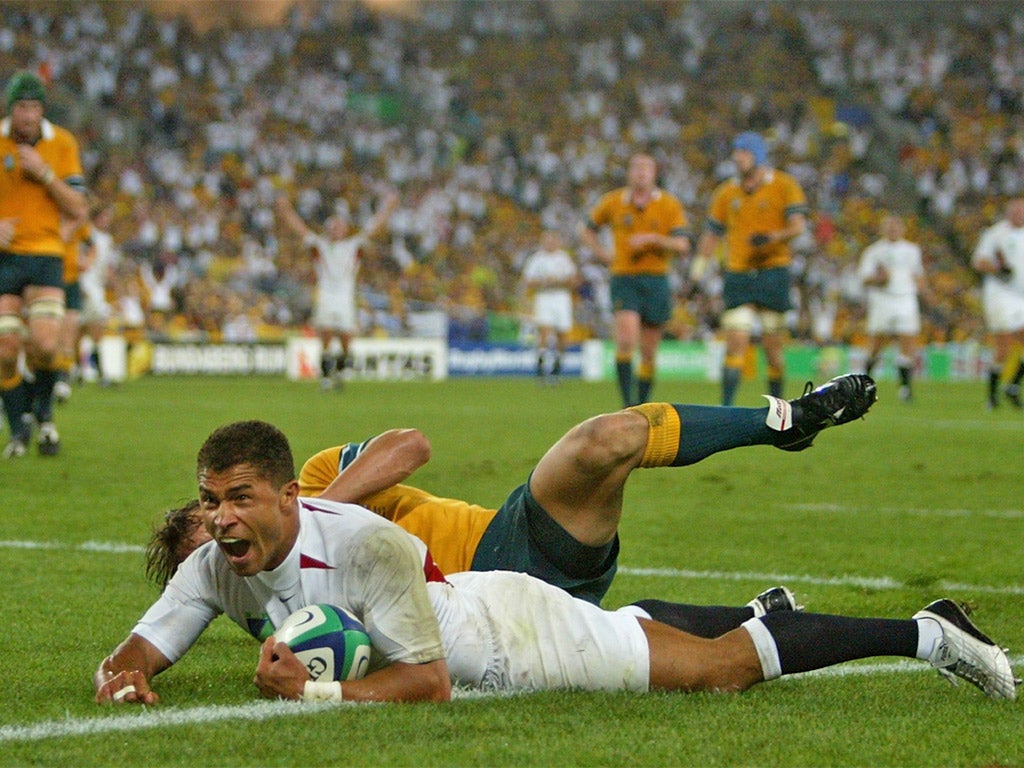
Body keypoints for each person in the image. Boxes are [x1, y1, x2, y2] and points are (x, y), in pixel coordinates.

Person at [95, 420, 1018, 706]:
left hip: (512, 637)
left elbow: (427, 685)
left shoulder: (365, 544)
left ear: (291, 496)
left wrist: (317, 694)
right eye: (208, 502)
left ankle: (929, 634)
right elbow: (147, 644)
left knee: (721, 674)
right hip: (487, 629)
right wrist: (125, 678)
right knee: (648, 632)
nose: (216, 521)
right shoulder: (214, 561)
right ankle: (755, 608)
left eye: (237, 500)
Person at [147, 372, 879, 610]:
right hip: (485, 612)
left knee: (607, 439)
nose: (221, 536)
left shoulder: (304, 483)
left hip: (511, 537)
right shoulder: (285, 609)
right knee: (619, 651)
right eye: (204, 556)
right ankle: (753, 623)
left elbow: (411, 446)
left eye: (214, 518)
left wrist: (322, 509)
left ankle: (784, 420)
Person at [0, 70, 87, 457]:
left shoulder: (62, 144)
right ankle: (19, 428)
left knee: (48, 347)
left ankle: (43, 411)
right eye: (22, 107)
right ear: (11, 109)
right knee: (4, 350)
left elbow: (78, 206)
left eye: (35, 107)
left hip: (46, 256)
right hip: (5, 258)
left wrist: (45, 173)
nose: (29, 115)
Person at [693, 132, 809, 406]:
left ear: (758, 156)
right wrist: (697, 272)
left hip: (773, 271)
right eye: (735, 152)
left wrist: (771, 238)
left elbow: (798, 226)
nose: (737, 158)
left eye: (743, 152)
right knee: (735, 341)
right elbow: (711, 235)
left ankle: (780, 410)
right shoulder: (726, 192)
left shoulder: (784, 185)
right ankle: (726, 409)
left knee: (773, 349)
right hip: (738, 273)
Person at [580, 153, 691, 407]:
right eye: (636, 168)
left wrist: (653, 239)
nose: (641, 172)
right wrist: (603, 254)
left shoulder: (669, 205)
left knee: (649, 351)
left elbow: (683, 245)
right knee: (627, 339)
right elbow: (586, 229)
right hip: (624, 277)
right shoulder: (613, 201)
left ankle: (641, 405)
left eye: (646, 168)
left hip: (656, 279)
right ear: (629, 173)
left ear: (654, 174)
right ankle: (626, 404)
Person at [275, 189, 398, 390]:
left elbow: (375, 228)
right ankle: (325, 378)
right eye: (333, 227)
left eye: (339, 226)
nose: (336, 230)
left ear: (345, 229)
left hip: (345, 296)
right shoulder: (320, 245)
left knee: (346, 340)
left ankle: (339, 374)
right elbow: (299, 229)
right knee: (325, 335)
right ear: (328, 229)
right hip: (326, 295)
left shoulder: (353, 244)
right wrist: (285, 209)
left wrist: (389, 207)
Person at [856, 214, 927, 403]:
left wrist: (920, 287)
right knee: (876, 345)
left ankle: (905, 389)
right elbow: (864, 277)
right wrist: (878, 279)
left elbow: (918, 274)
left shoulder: (912, 250)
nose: (893, 230)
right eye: (889, 226)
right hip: (882, 299)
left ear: (903, 229)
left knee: (908, 343)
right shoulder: (874, 251)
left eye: (896, 227)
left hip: (906, 299)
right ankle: (864, 385)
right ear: (883, 229)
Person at [971, 197, 1024, 409]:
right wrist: (998, 269)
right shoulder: (995, 234)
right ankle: (992, 396)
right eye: (1016, 211)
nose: (1019, 215)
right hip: (1000, 295)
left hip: (1021, 296)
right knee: (1004, 348)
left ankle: (1012, 385)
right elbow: (979, 261)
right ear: (1008, 213)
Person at [521, 230, 578, 383]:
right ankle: (540, 368)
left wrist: (557, 281)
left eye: (553, 240)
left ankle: (556, 369)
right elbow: (528, 282)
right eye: (548, 240)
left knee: (562, 334)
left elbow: (573, 281)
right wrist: (544, 282)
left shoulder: (564, 258)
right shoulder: (537, 259)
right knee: (544, 332)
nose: (551, 243)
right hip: (544, 297)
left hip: (561, 298)